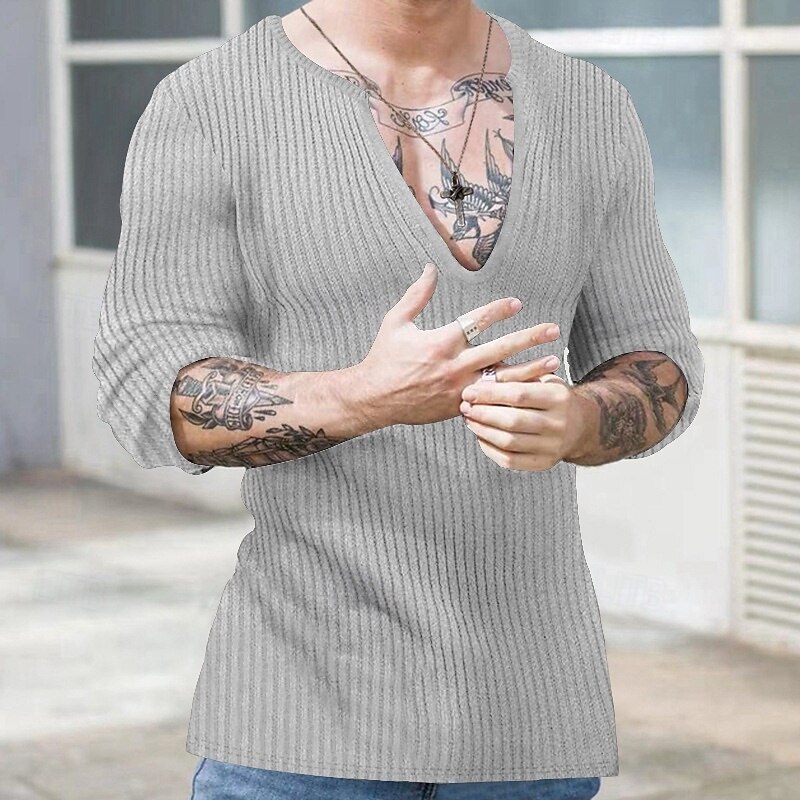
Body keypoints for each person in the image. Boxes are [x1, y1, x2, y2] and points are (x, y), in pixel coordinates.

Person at [92, 1, 704, 798]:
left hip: (533, 727)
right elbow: (147, 382)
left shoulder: (590, 106)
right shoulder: (211, 103)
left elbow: (658, 364)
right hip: (300, 727)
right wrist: (363, 397)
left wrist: (579, 420)